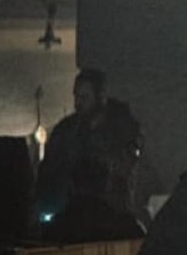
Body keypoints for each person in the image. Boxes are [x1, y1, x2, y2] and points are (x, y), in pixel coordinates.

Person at [32, 68, 144, 243]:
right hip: (75, 216)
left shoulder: (122, 130)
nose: (78, 103)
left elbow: (126, 170)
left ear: (101, 97)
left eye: (84, 97)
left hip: (112, 218)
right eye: (76, 96)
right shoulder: (67, 131)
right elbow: (49, 172)